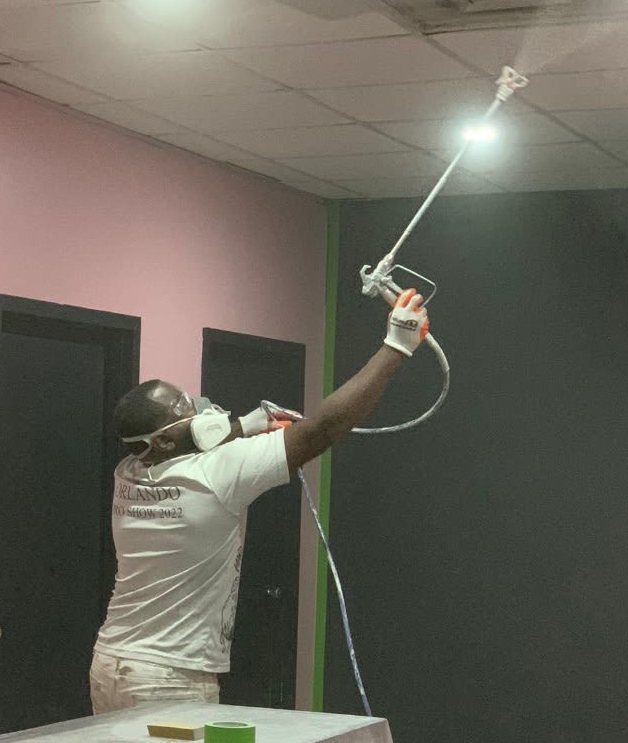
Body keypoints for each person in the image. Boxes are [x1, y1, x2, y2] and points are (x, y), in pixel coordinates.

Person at [89, 289, 429, 713]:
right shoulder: (219, 474)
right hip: (169, 679)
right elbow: (321, 429)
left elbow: (188, 444)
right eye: (185, 411)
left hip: (111, 663)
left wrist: (247, 426)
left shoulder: (129, 471)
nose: (199, 412)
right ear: (163, 439)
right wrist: (396, 347)